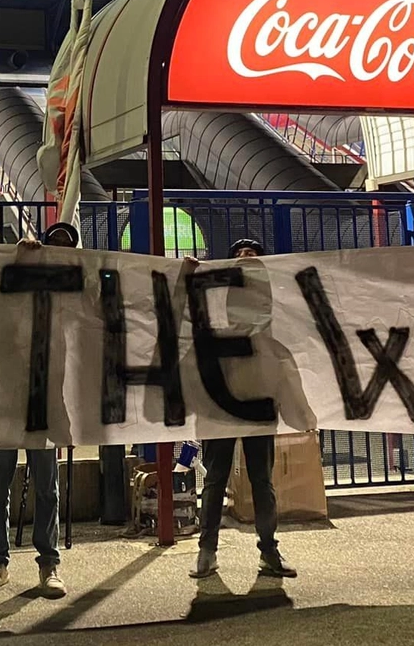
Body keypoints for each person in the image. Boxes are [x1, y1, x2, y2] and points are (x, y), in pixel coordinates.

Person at [0, 221, 78, 599]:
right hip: (5, 400)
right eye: (54, 248)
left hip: (46, 402)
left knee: (47, 488)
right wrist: (17, 265)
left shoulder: (68, 299)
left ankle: (49, 564)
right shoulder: (11, 292)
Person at [191, 238, 295, 580]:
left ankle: (268, 551)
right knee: (216, 481)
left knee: (261, 481)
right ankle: (207, 553)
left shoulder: (269, 312)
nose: (244, 257)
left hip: (255, 404)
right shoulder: (221, 306)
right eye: (238, 255)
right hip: (223, 404)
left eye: (251, 255)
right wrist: (191, 278)